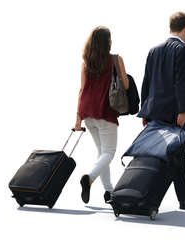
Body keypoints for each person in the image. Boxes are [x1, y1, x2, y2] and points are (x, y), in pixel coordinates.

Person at [137, 11, 185, 209]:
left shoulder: (153, 50)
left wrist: (144, 111)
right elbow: (182, 83)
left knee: (168, 153)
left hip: (154, 111)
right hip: (173, 112)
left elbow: (146, 82)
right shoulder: (183, 50)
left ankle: (183, 199)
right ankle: (179, 198)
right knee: (175, 153)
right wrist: (183, 111)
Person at [75, 26, 129, 204]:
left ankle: (109, 191)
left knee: (101, 152)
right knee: (109, 152)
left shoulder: (85, 62)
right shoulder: (115, 59)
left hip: (87, 111)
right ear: (107, 42)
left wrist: (78, 118)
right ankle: (88, 178)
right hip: (105, 110)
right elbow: (126, 85)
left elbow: (82, 89)